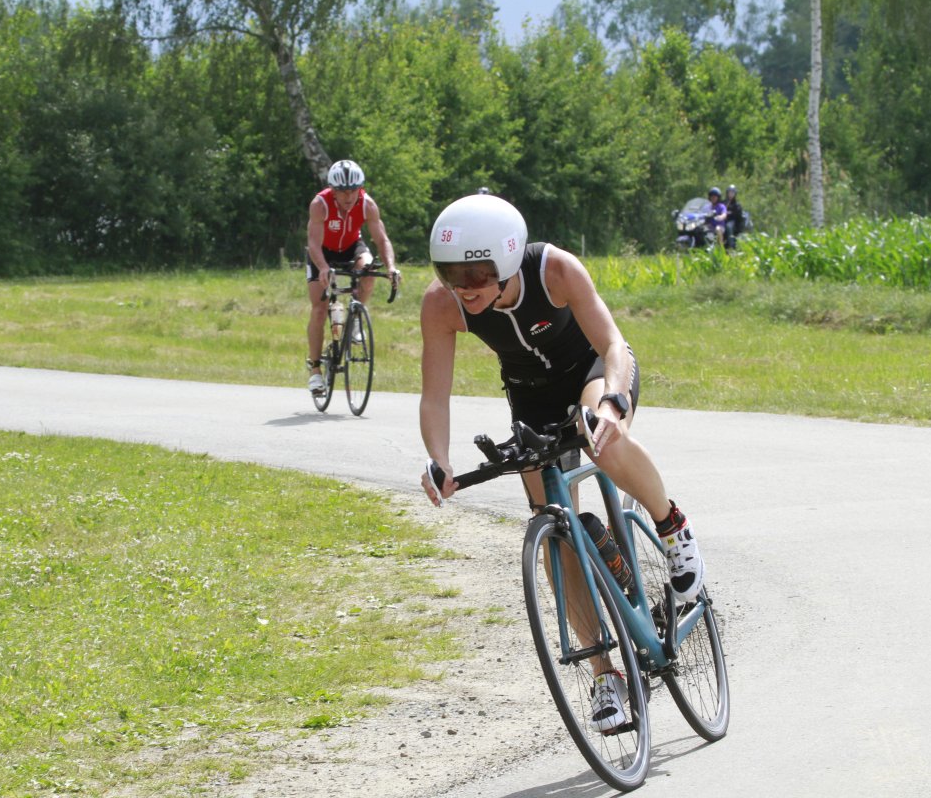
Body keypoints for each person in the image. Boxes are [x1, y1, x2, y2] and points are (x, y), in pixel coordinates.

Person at [417, 193, 705, 732]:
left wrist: (613, 403)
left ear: (507, 259)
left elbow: (613, 344)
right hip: (532, 399)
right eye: (450, 273)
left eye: (476, 273)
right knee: (553, 532)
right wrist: (439, 460)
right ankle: (605, 674)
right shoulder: (441, 304)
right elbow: (435, 397)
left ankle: (672, 527)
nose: (464, 287)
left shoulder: (554, 269)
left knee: (603, 441)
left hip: (594, 372)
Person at [305, 159, 399, 395]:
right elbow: (313, 244)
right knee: (319, 308)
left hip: (351, 247)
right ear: (333, 190)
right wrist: (323, 267)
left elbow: (382, 240)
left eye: (353, 190)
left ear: (360, 188)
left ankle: (356, 317)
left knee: (368, 269)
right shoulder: (320, 205)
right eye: (343, 191)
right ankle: (315, 370)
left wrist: (391, 267)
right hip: (322, 252)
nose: (348, 196)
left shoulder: (367, 204)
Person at [725, 185, 746, 250]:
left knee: (728, 226)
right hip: (723, 220)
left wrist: (729, 213)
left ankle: (732, 246)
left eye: (732, 193)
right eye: (729, 192)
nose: (731, 194)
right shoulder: (723, 202)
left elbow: (738, 215)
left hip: (733, 221)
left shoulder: (737, 204)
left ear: (735, 194)